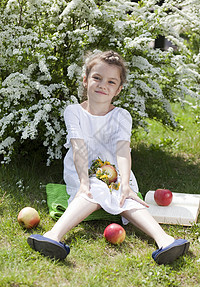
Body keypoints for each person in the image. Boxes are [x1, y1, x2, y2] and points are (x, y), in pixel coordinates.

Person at [27, 50, 189, 264]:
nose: (103, 85)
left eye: (111, 82)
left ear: (118, 89)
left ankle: (164, 240)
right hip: (83, 168)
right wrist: (84, 182)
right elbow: (78, 148)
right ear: (86, 81)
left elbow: (123, 151)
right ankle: (53, 236)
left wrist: (125, 183)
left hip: (116, 167)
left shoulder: (122, 115)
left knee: (125, 194)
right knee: (93, 189)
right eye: (97, 78)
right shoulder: (74, 111)